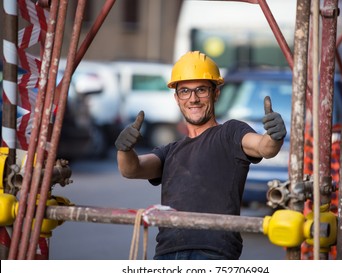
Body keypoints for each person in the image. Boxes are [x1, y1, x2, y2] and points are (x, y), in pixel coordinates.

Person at [115, 51, 287, 260]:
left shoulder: (230, 133)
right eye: (185, 91)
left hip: (213, 254)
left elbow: (264, 147)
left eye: (201, 90)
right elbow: (132, 169)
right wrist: (125, 149)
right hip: (167, 254)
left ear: (216, 94)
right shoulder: (170, 150)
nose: (193, 99)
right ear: (177, 98)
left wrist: (274, 136)